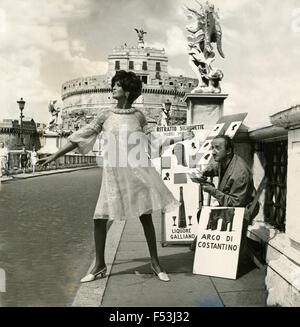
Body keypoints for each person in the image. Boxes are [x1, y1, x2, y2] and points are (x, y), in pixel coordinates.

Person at [37, 70, 194, 283]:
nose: (113, 88)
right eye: (114, 84)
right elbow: (80, 137)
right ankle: (99, 265)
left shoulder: (138, 116)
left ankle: (156, 263)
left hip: (138, 172)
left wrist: (181, 137)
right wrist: (54, 156)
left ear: (127, 91)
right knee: (99, 219)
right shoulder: (105, 115)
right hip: (112, 175)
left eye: (117, 85)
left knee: (145, 218)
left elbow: (155, 140)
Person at [190, 135, 259, 254]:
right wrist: (206, 171)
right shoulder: (226, 160)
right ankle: (213, 248)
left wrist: (212, 191)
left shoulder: (239, 173)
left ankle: (228, 251)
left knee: (204, 216)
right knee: (202, 214)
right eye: (212, 148)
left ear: (228, 150)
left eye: (217, 148)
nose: (213, 152)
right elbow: (218, 168)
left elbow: (236, 203)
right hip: (233, 205)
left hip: (244, 209)